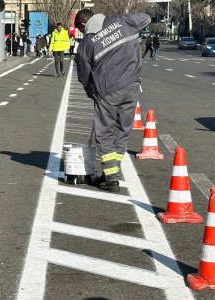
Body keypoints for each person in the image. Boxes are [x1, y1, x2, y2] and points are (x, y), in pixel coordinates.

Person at [74, 8, 150, 192]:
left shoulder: (87, 42)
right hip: (132, 86)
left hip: (108, 91)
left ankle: (112, 178)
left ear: (84, 25)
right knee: (121, 131)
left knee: (105, 133)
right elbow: (146, 18)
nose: (83, 33)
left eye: (81, 30)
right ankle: (111, 173)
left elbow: (84, 76)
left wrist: (94, 94)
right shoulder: (123, 21)